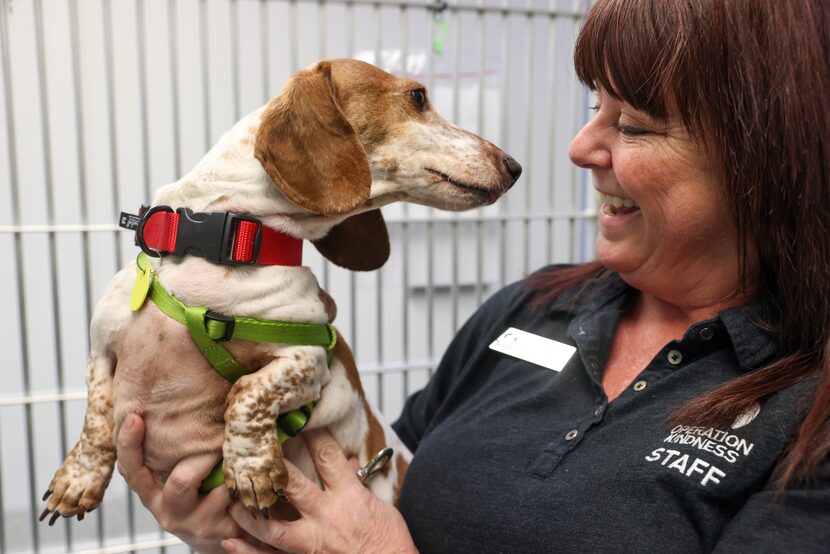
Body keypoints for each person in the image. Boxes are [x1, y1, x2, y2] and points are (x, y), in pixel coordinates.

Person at [117, 0, 830, 551]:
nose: (581, 147)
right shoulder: (529, 307)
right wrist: (227, 527)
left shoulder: (810, 408)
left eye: (636, 126)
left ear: (769, 158)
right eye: (594, 109)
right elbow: (371, 481)